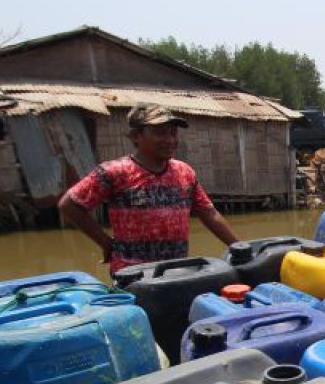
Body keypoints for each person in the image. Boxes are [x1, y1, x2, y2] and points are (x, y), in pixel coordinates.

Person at [58, 103, 239, 274]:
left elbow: (208, 212)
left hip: (176, 270)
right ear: (136, 136)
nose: (170, 140)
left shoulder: (184, 172)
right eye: (160, 133)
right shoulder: (115, 172)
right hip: (132, 273)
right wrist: (105, 242)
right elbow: (69, 205)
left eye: (173, 133)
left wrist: (239, 247)